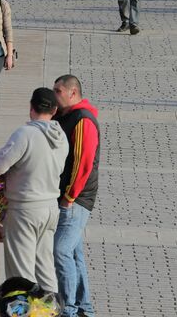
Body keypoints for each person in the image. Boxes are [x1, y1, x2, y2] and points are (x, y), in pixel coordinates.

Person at [0, 88, 70, 294]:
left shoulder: (26, 134)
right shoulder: (62, 137)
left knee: (20, 276)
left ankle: (24, 310)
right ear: (55, 109)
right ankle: (52, 309)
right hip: (50, 208)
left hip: (25, 209)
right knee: (45, 269)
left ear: (31, 108)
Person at [52, 75, 100, 317]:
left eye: (58, 91)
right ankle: (84, 308)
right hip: (67, 195)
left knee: (60, 251)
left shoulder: (83, 120)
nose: (54, 95)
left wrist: (69, 197)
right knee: (73, 252)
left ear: (72, 93)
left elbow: (84, 163)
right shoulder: (63, 115)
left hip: (77, 198)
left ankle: (69, 309)